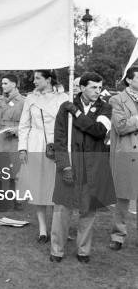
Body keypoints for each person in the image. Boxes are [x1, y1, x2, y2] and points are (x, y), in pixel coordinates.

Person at [49, 72, 116, 263]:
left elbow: (98, 131)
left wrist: (77, 114)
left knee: (88, 210)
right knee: (62, 208)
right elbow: (60, 139)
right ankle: (56, 250)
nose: (98, 91)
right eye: (93, 87)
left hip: (94, 166)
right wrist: (64, 166)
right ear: (82, 87)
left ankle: (83, 251)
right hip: (71, 163)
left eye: (99, 87)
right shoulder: (65, 107)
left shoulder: (106, 108)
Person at [17, 69, 68, 243]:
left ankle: (58, 227)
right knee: (38, 187)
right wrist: (22, 148)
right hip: (35, 144)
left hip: (57, 145)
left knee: (56, 187)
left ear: (48, 79)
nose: (34, 81)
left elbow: (70, 125)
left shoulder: (63, 98)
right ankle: (42, 229)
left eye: (38, 78)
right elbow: (24, 125)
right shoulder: (30, 98)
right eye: (34, 78)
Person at [108, 66, 138, 251]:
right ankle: (118, 236)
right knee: (122, 197)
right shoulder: (116, 100)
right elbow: (120, 127)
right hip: (126, 153)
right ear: (129, 80)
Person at [0, 74, 25, 206]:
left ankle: (15, 200)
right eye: (2, 83)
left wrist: (17, 129)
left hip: (15, 141)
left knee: (14, 171)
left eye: (5, 83)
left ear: (14, 84)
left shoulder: (24, 101)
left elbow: (29, 122)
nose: (3, 86)